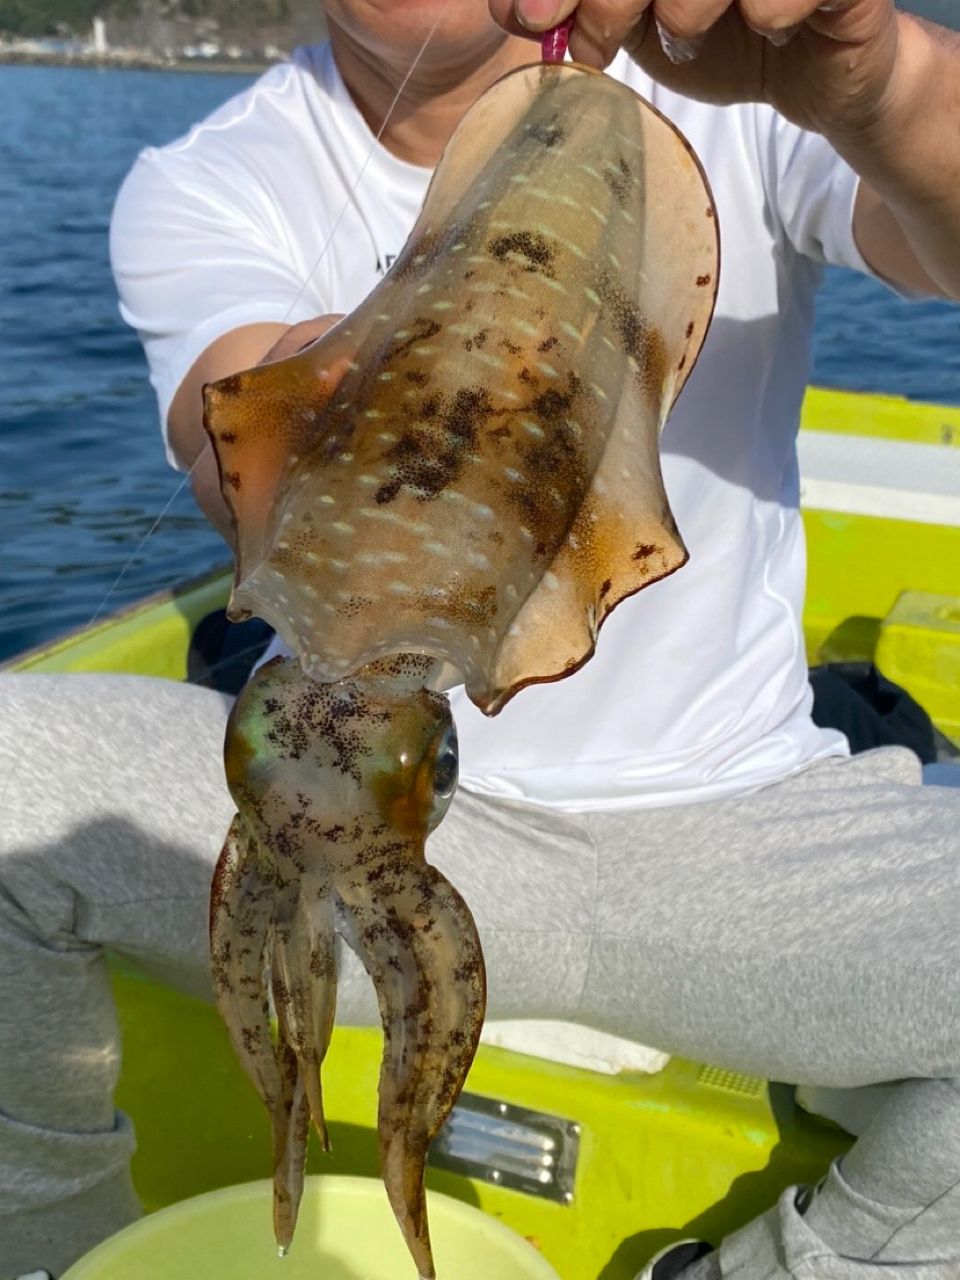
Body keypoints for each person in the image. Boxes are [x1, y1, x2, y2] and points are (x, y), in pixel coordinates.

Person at [2, 1, 959, 1277]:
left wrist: (881, 80)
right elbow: (237, 448)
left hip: (741, 823)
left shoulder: (738, 89)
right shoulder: (212, 176)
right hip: (381, 795)